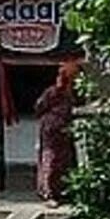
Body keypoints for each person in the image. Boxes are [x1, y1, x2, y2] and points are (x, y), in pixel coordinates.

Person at [34, 59, 81, 206]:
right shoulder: (53, 92)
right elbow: (39, 107)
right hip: (51, 130)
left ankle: (63, 192)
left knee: (66, 160)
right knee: (51, 160)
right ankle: (49, 193)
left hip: (65, 130)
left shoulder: (74, 93)